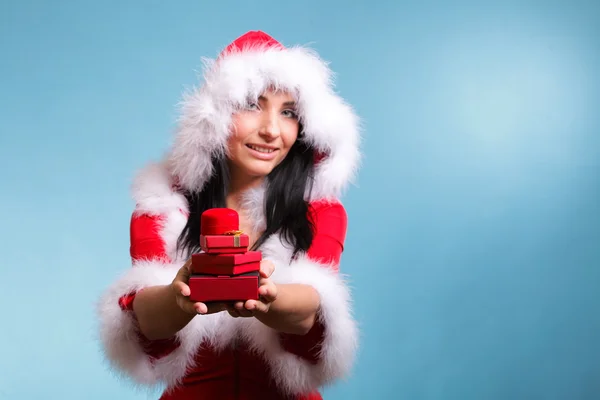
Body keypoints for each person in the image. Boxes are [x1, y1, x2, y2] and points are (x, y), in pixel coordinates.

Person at [96, 30, 362, 400]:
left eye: (288, 112)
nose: (271, 130)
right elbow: (145, 323)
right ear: (215, 115)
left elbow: (311, 311)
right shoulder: (161, 207)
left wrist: (267, 295)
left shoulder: (320, 212)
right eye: (253, 104)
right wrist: (180, 297)